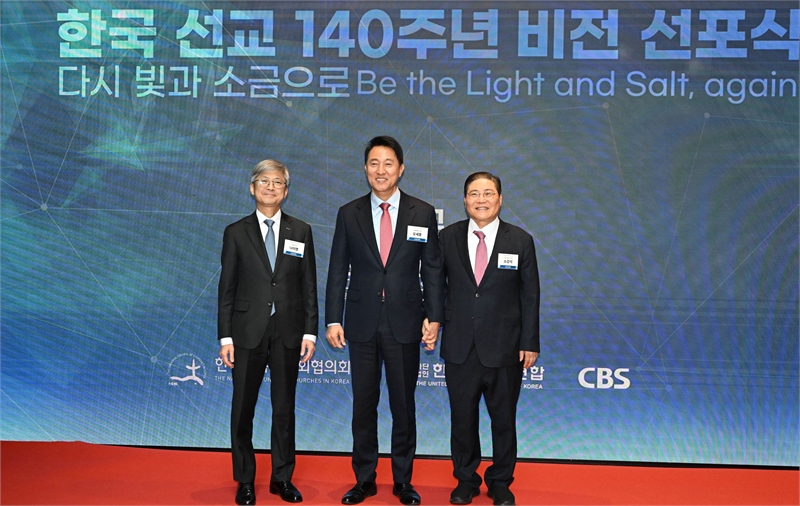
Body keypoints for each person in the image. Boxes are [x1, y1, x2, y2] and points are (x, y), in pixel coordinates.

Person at [326, 136, 445, 505]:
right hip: (361, 321)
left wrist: (435, 317)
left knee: (403, 405)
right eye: (374, 163)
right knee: (363, 404)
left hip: (405, 321)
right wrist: (332, 319)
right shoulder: (349, 213)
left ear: (401, 168)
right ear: (365, 169)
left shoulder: (422, 212)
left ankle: (403, 481)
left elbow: (433, 269)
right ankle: (364, 479)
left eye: (388, 163)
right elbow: (337, 269)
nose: (381, 170)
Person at [425, 172, 540, 506]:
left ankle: (501, 481)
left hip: (505, 347)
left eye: (488, 193)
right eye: (474, 193)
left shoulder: (520, 240)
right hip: (460, 345)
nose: (481, 199)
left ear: (500, 199)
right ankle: (466, 480)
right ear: (464, 200)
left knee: (503, 420)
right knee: (462, 419)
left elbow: (530, 295)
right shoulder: (447, 237)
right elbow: (436, 286)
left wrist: (530, 342)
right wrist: (433, 320)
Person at [218, 160, 318, 505]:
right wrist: (225, 336)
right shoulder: (236, 232)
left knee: (284, 408)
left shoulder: (301, 230)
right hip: (247, 332)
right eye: (264, 181)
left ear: (286, 191)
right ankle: (245, 480)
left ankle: (282, 478)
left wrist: (310, 332)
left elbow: (308, 285)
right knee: (242, 409)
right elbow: (226, 288)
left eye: (277, 182)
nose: (271, 187)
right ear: (252, 188)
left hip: (288, 330)